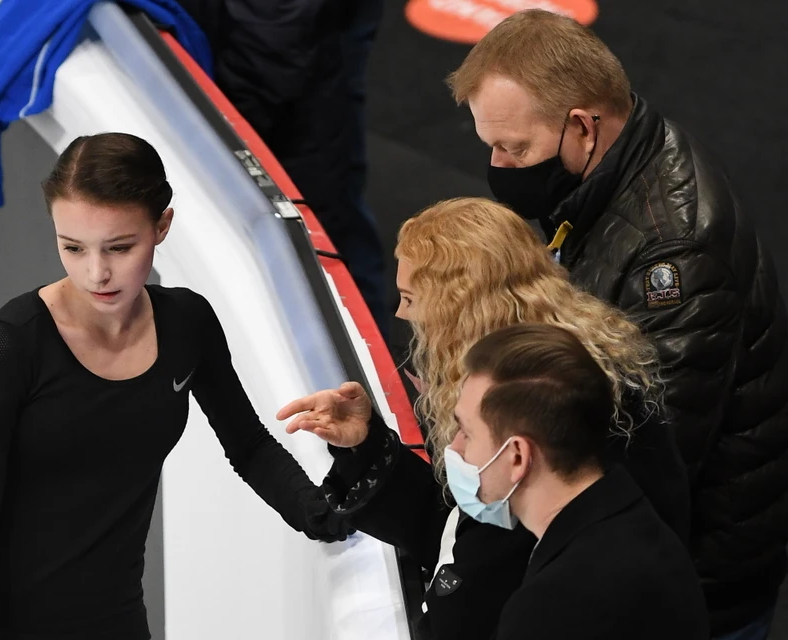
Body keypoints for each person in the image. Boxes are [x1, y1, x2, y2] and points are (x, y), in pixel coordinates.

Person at [447, 10, 788, 638]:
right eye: (491, 147)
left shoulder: (674, 252)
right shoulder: (612, 172)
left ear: (584, 129)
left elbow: (652, 450)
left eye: (516, 148)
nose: (500, 167)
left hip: (696, 583)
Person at [0, 132, 350, 640]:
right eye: (72, 247)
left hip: (116, 620)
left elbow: (249, 446)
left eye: (119, 247)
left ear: (162, 226)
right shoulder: (7, 348)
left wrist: (328, 516)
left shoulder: (187, 323)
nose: (97, 272)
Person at [278, 197, 691, 639]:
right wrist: (366, 446)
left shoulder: (546, 410)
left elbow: (481, 568)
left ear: (459, 307)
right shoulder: (552, 375)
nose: (400, 314)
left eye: (411, 298)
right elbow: (463, 527)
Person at [282, 324, 710, 639]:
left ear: (518, 456)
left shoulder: (551, 607)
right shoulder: (632, 520)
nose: (456, 448)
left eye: (466, 431)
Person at [176, 0, 391, 342]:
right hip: (277, 57)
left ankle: (370, 366)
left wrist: (230, 133)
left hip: (282, 89)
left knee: (322, 238)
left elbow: (273, 38)